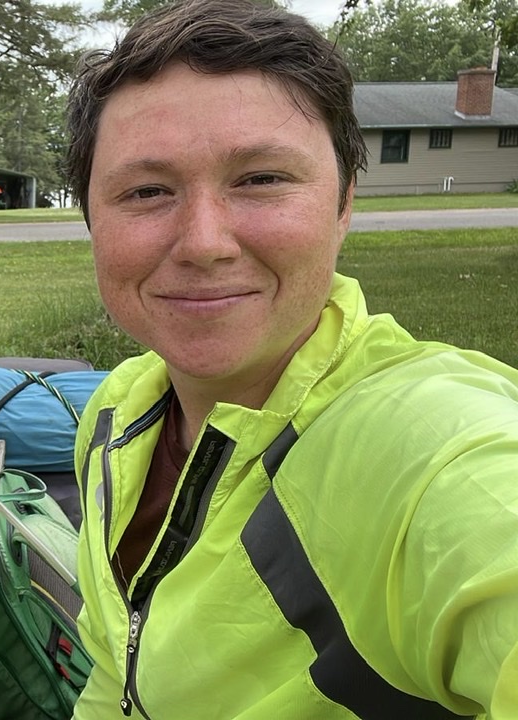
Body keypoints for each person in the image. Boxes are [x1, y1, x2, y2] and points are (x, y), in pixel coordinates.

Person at [64, 0, 518, 717]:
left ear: (344, 206)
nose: (204, 242)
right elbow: (105, 670)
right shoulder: (116, 412)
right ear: (92, 221)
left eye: (262, 179)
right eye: (147, 191)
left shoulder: (432, 449)